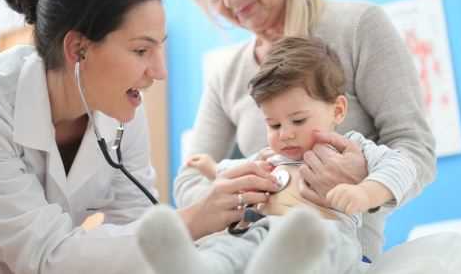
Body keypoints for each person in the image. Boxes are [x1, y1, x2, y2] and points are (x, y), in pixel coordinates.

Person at [0, 0, 280, 273]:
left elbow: (135, 225)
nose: (160, 71)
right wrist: (194, 218)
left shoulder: (119, 107)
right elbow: (47, 255)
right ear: (77, 49)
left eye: (160, 48)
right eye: (141, 50)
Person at [175, 0, 436, 263]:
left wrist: (365, 184)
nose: (227, 0)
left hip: (338, 250)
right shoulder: (226, 75)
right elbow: (190, 177)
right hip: (259, 242)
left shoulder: (358, 26)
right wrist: (241, 193)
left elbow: (415, 148)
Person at [139, 36, 417, 274]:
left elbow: (402, 165)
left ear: (338, 110)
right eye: (273, 125)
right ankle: (192, 266)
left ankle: (281, 265)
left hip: (325, 235)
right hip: (265, 232)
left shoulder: (351, 148)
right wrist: (214, 169)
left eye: (298, 121)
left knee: (329, 247)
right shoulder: (269, 156)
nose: (285, 134)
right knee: (228, 245)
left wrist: (366, 192)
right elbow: (238, 171)